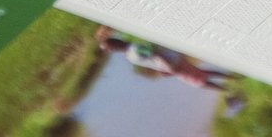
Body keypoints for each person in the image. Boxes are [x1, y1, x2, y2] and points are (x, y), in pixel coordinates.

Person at [95, 28, 232, 89]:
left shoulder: (134, 48)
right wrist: (162, 70)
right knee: (198, 75)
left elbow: (154, 53)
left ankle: (229, 84)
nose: (109, 51)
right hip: (168, 65)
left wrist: (167, 66)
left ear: (114, 45)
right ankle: (230, 81)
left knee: (196, 80)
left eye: (109, 48)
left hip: (171, 63)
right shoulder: (129, 52)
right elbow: (150, 61)